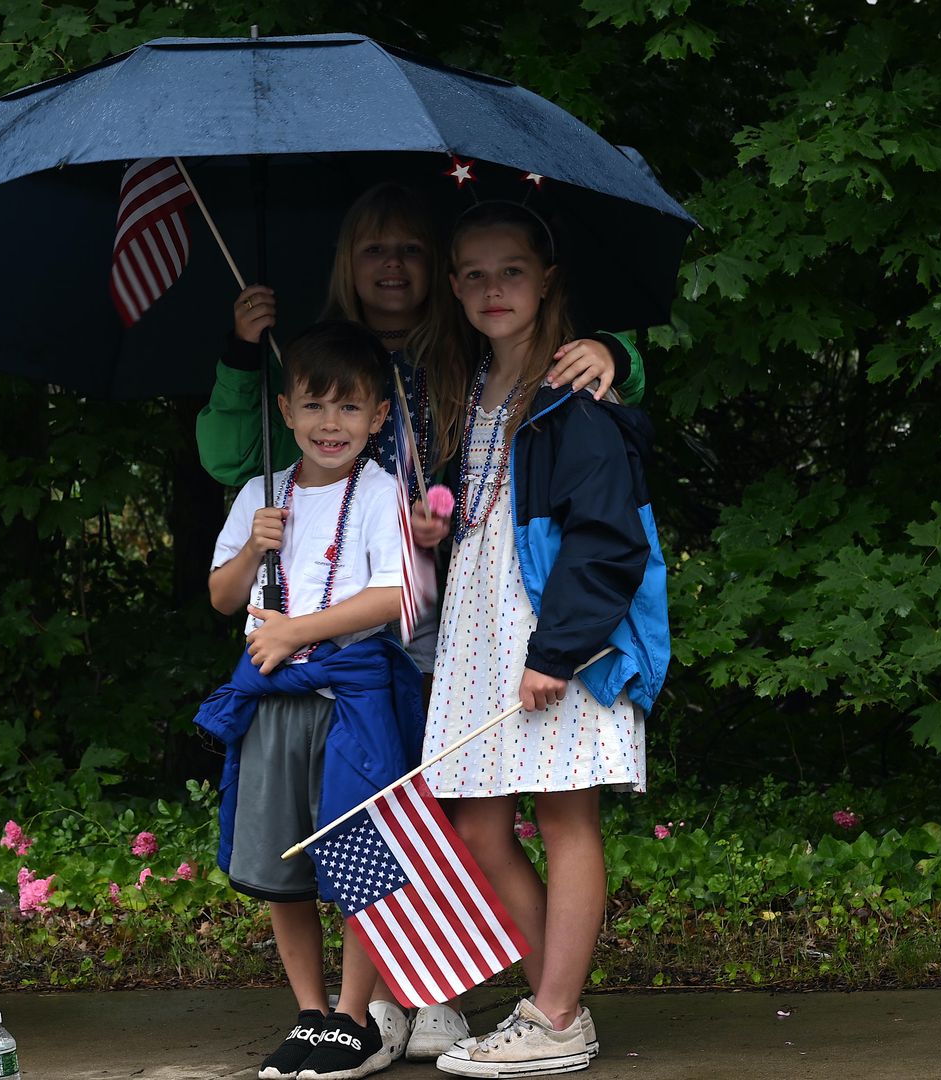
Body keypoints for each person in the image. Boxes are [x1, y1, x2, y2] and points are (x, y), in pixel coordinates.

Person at [195, 185, 650, 1060]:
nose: (393, 267)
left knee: (461, 804)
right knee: (436, 809)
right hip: (437, 612)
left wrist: (616, 350)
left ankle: (522, 1002)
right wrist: (239, 354)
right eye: (376, 250)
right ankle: (464, 992)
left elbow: (593, 448)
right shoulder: (329, 358)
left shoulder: (483, 357)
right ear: (350, 264)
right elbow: (232, 456)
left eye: (410, 250)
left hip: (469, 608)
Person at [421, 202, 671, 1078]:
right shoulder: (470, 389)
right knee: (481, 826)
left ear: (547, 279)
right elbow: (493, 516)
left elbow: (609, 536)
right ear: (453, 286)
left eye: (513, 271)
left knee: (566, 818)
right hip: (483, 631)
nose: (494, 289)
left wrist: (557, 649)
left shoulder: (577, 392)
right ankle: (552, 1009)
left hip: (556, 636)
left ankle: (556, 1015)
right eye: (476, 274)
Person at [193, 322, 425, 1080]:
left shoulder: (384, 492)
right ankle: (310, 1010)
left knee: (361, 855)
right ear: (286, 411)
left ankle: (355, 1017)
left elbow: (392, 597)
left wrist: (297, 631)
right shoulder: (262, 492)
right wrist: (254, 548)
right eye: (316, 407)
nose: (333, 425)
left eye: (352, 409)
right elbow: (224, 600)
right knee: (279, 856)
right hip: (274, 706)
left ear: (379, 418)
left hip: (351, 705)